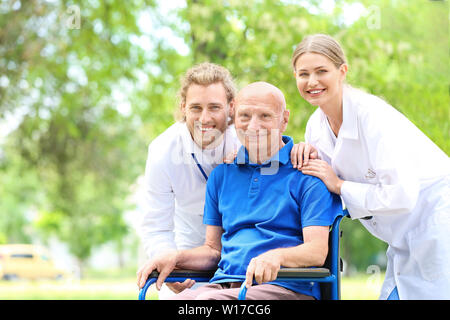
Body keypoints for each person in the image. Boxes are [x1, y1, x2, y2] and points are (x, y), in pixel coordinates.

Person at [136, 81, 343, 300]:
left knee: (207, 302)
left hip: (284, 288)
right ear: (234, 117)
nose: (253, 127)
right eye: (245, 116)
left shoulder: (308, 174)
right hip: (224, 286)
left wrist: (276, 257)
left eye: (265, 116)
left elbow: (317, 251)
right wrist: (175, 257)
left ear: (284, 119)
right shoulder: (221, 176)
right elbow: (213, 251)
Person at [290, 34, 450, 299]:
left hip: (436, 222)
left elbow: (401, 194)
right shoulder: (314, 127)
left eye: (322, 71)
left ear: (342, 71)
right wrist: (302, 152)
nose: (312, 82)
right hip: (402, 238)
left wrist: (340, 185)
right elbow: (321, 185)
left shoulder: (371, 116)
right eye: (303, 74)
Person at [137, 62, 240, 297]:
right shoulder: (163, 149)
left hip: (241, 252)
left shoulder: (245, 141)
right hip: (188, 254)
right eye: (196, 108)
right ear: (183, 107)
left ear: (231, 107)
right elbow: (156, 225)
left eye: (214, 107)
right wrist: (168, 261)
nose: (205, 118)